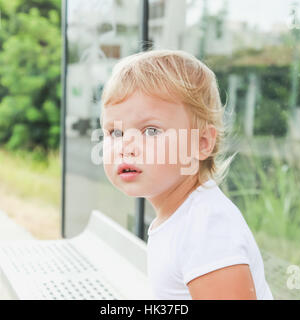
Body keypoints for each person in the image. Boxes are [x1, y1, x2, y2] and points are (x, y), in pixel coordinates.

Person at [99, 49, 273, 300]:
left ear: (202, 143)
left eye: (150, 131)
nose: (126, 146)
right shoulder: (180, 216)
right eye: (116, 133)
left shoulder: (207, 227)